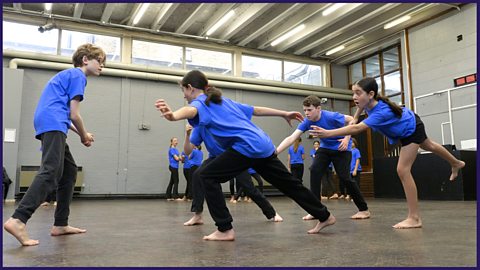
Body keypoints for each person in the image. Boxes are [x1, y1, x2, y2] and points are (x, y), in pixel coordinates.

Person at [156, 70, 335, 240]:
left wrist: (172, 116)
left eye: (183, 90)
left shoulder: (201, 102)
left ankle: (224, 229)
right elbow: (255, 109)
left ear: (190, 88)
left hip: (246, 147)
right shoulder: (223, 101)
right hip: (263, 144)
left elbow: (190, 111)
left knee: (204, 175)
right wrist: (283, 113)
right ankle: (324, 215)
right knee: (290, 184)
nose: (183, 95)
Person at [310, 77, 465, 229]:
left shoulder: (381, 112)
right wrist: (355, 117)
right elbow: (359, 109)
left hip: (409, 129)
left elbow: (356, 129)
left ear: (370, 94)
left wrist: (328, 133)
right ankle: (456, 163)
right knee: (429, 145)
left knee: (403, 170)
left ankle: (414, 218)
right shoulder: (367, 102)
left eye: (358, 93)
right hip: (408, 122)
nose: (354, 97)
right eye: (353, 93)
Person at [3, 43, 104, 246]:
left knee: (68, 171)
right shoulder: (78, 76)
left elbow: (66, 114)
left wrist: (81, 133)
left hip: (51, 121)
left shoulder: (66, 76)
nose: (102, 66)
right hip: (53, 122)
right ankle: (18, 219)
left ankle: (60, 224)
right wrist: (84, 135)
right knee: (50, 171)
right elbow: (74, 114)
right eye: (99, 61)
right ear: (85, 60)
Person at [276, 95, 370, 220]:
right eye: (304, 110)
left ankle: (364, 209)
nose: (306, 113)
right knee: (314, 170)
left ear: (318, 108)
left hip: (341, 148)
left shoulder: (331, 116)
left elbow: (351, 119)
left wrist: (347, 138)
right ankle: (316, 211)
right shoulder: (307, 122)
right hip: (325, 148)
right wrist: (275, 152)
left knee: (345, 177)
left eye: (309, 110)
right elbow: (291, 138)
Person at [182, 124, 283, 227]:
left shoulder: (221, 121)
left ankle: (272, 213)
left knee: (249, 187)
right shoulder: (200, 127)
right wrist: (187, 135)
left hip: (234, 157)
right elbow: (187, 151)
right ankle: (197, 215)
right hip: (215, 158)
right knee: (197, 175)